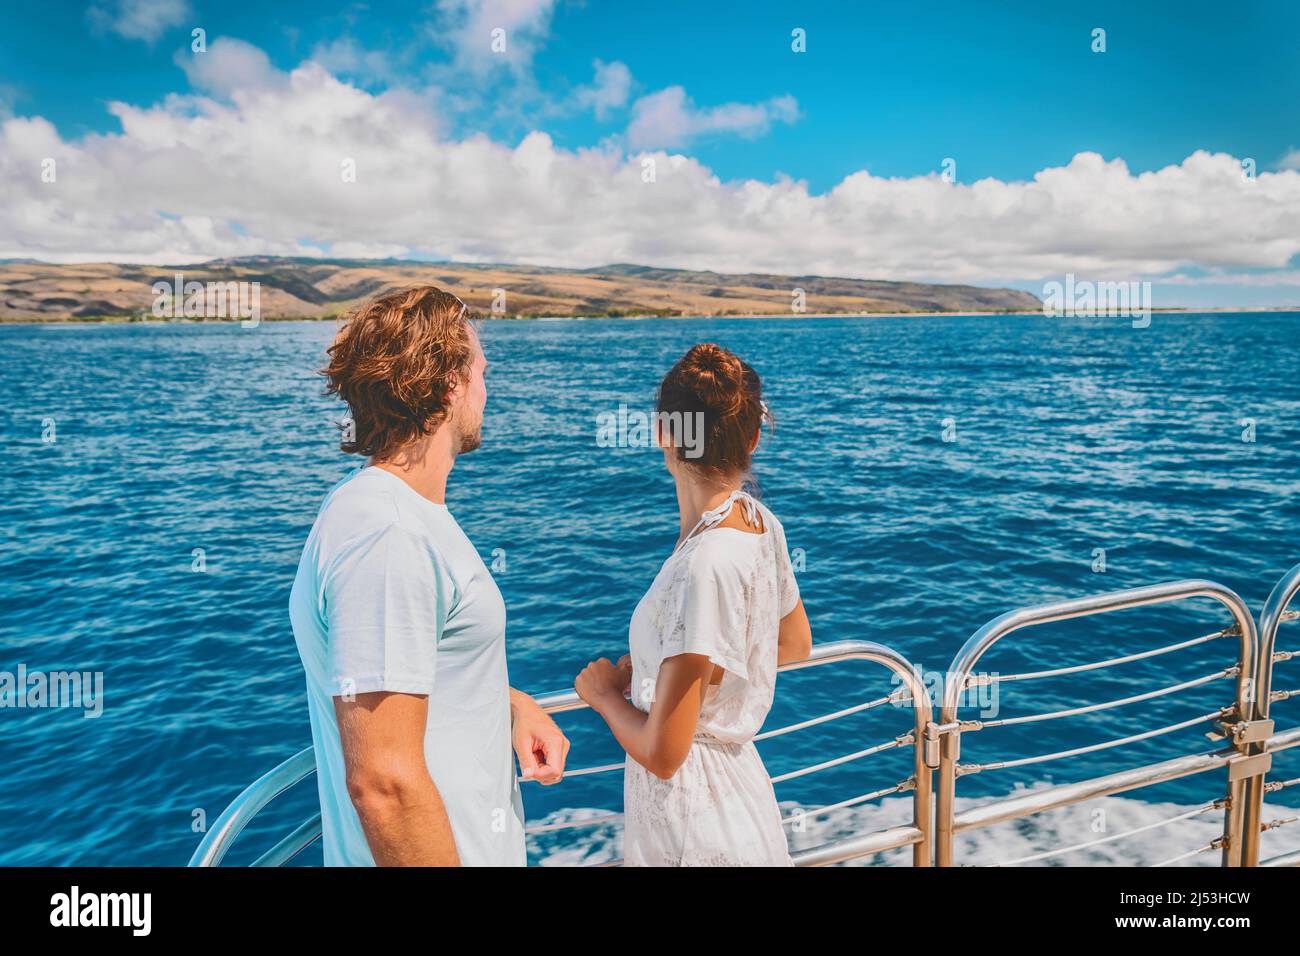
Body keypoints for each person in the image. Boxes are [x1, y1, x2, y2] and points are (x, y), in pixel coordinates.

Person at [289, 285, 569, 866]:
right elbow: (384, 784)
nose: (488, 392)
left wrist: (512, 707)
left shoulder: (393, 516)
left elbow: (421, 677)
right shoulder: (389, 535)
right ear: (448, 385)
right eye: (482, 373)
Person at [575, 342, 812, 866]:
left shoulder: (704, 564)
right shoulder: (759, 522)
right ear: (751, 437)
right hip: (739, 795)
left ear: (664, 433)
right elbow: (793, 645)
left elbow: (663, 754)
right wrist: (687, 669)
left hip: (693, 821)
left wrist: (605, 696)